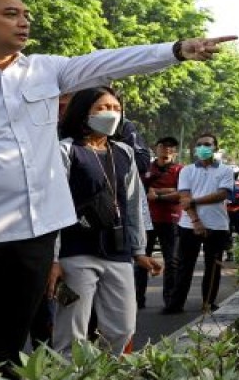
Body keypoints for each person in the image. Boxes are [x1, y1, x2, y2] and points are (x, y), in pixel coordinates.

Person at [0, 0, 234, 380]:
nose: (24, 21)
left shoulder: (45, 71)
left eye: (26, 14)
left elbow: (111, 60)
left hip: (32, 236)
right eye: (10, 14)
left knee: (7, 346)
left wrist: (177, 49)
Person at [50, 86, 161, 354]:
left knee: (122, 328)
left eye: (115, 108)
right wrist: (52, 259)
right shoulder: (65, 150)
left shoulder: (124, 152)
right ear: (83, 113)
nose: (110, 113)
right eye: (102, 108)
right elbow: (52, 206)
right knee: (72, 331)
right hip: (76, 252)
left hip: (118, 252)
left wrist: (138, 250)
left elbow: (133, 203)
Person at [163, 133, 234, 314]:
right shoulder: (187, 170)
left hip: (217, 225)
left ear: (215, 148)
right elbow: (184, 197)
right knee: (184, 266)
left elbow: (222, 194)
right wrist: (195, 220)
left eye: (207, 144)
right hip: (189, 225)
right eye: (200, 144)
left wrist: (194, 201)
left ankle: (208, 303)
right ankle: (175, 304)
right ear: (195, 148)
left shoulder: (225, 170)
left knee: (213, 267)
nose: (203, 148)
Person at [136, 136, 182, 310]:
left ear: (175, 152)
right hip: (146, 220)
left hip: (171, 219)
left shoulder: (180, 170)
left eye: (171, 147)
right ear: (156, 148)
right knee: (141, 259)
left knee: (172, 261)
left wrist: (159, 193)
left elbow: (182, 192)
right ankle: (138, 298)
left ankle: (170, 301)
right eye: (163, 146)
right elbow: (138, 189)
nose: (167, 150)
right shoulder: (145, 167)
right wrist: (167, 190)